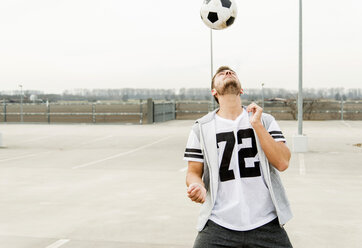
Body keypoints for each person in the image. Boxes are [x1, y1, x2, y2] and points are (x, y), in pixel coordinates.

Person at [184, 66, 293, 248]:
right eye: (221, 74)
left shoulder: (265, 120)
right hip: (218, 224)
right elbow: (193, 172)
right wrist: (197, 185)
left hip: (266, 223)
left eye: (231, 72)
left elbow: (282, 162)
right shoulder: (201, 128)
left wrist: (257, 125)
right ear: (214, 91)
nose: (228, 73)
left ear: (241, 90)